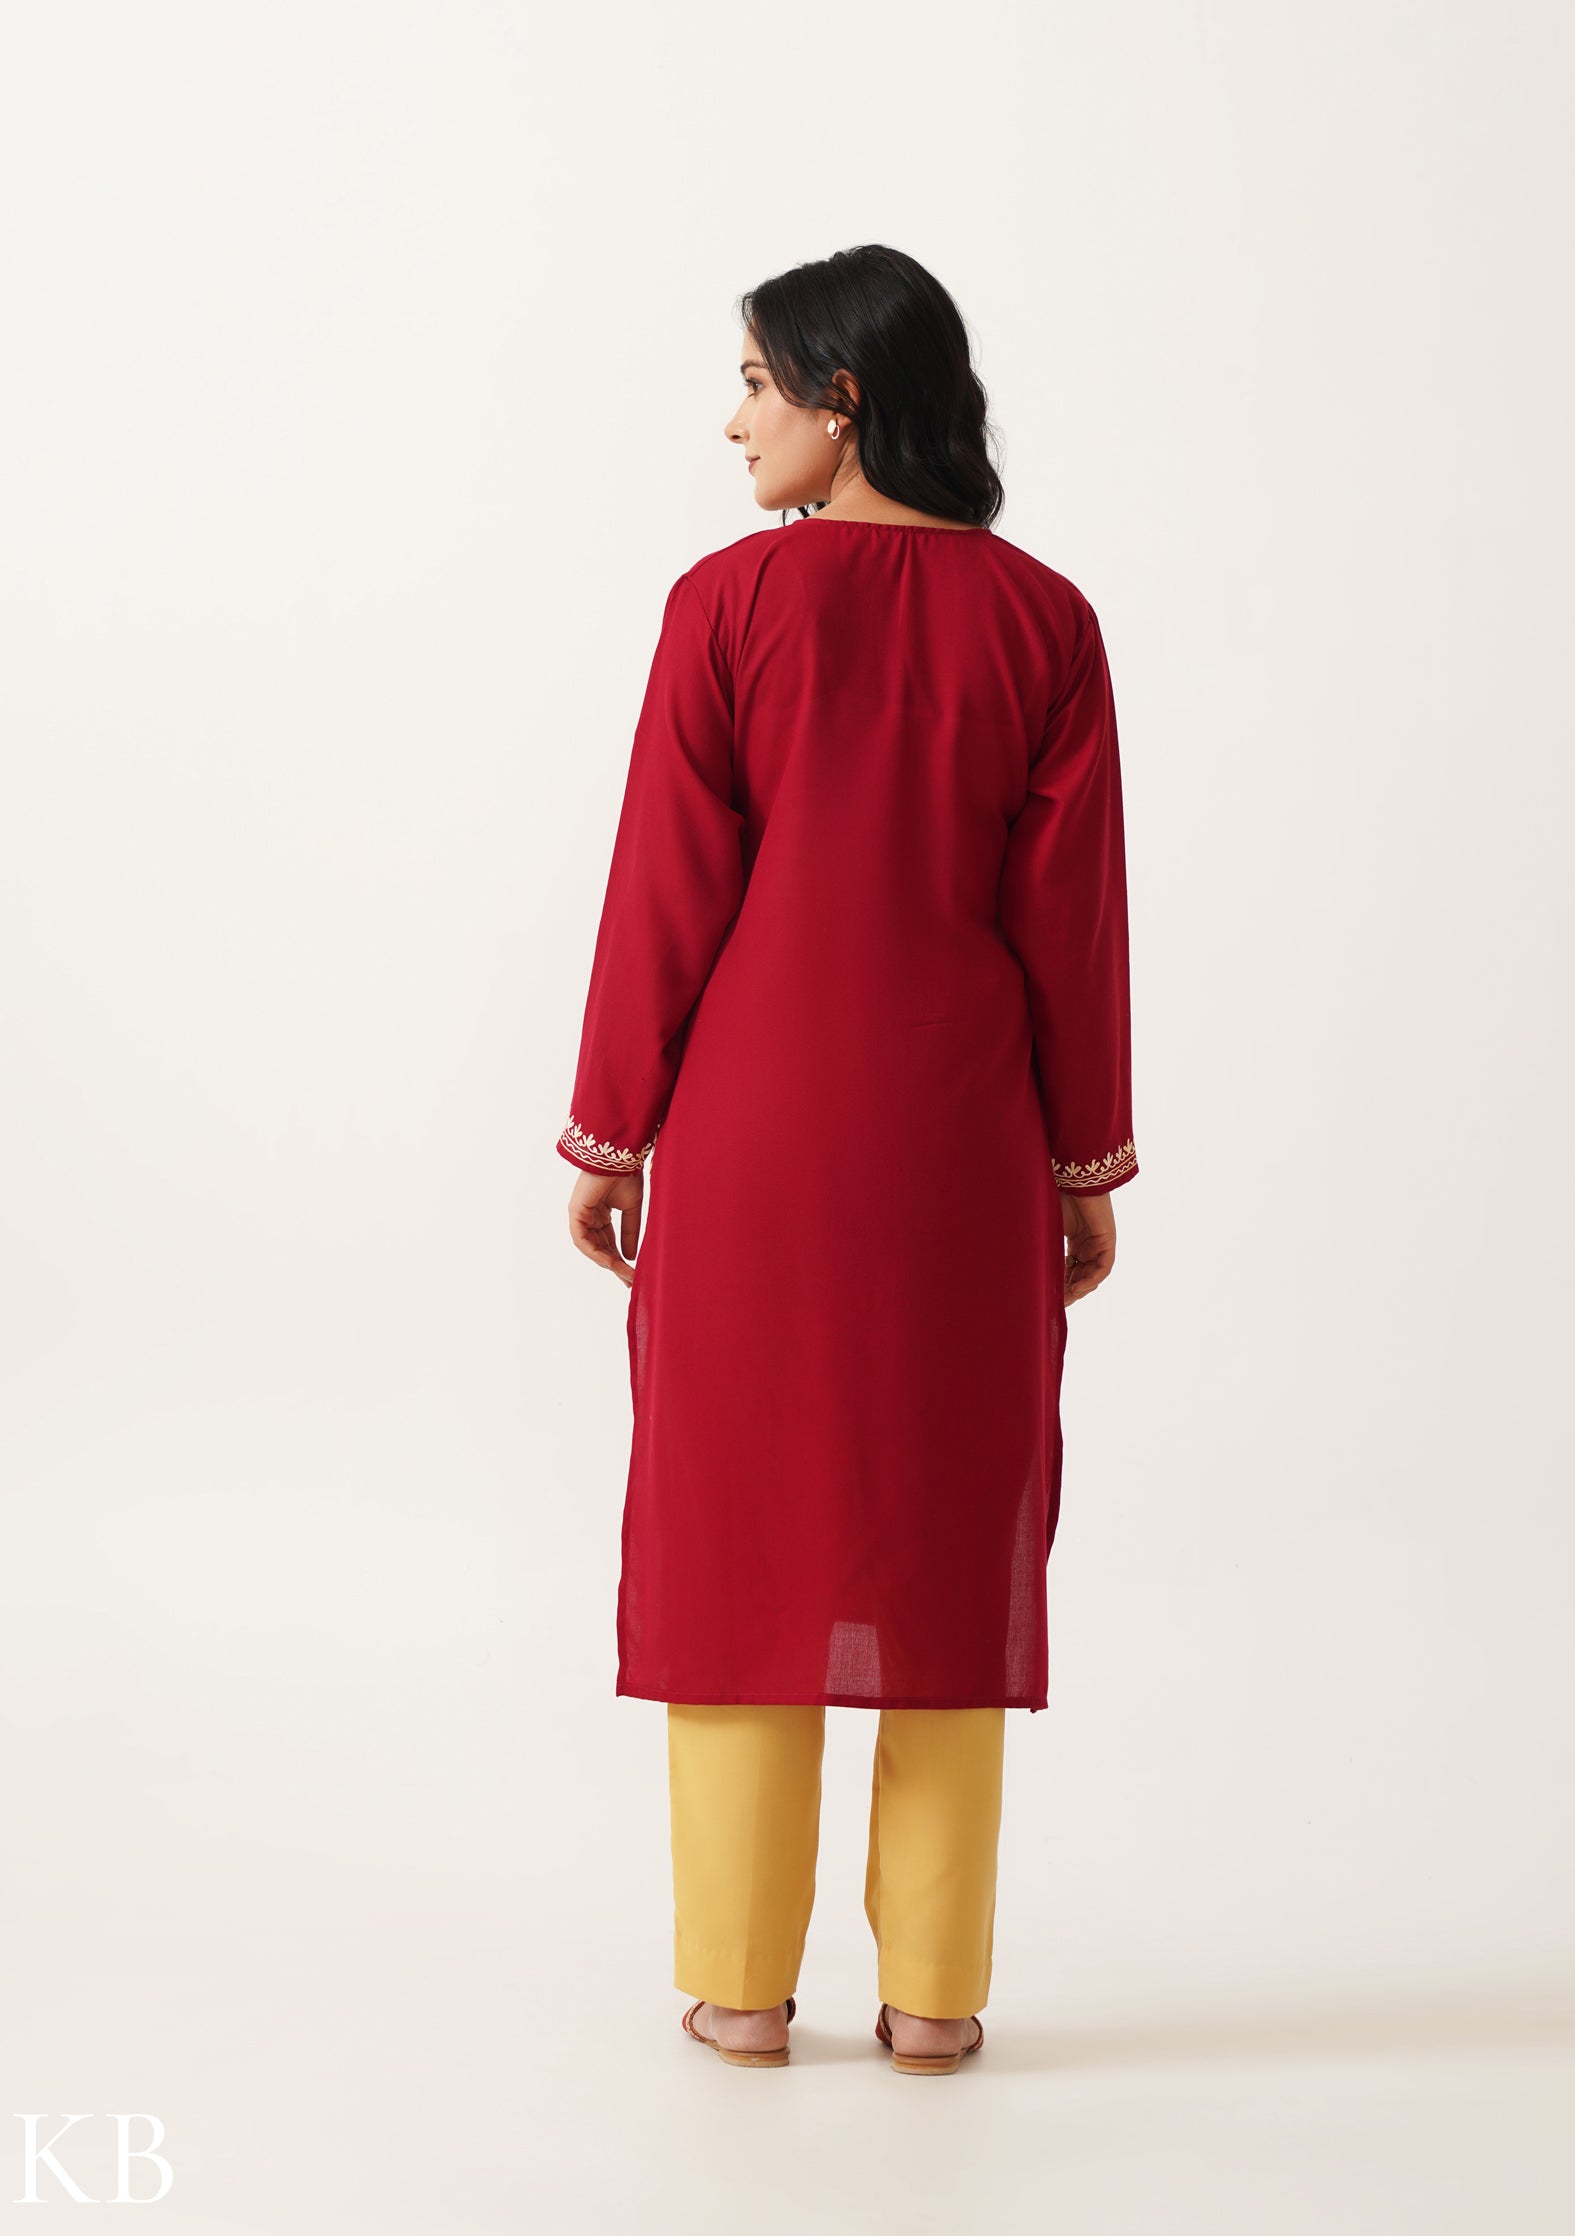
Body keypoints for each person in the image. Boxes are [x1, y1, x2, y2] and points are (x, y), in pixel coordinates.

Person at [555, 244, 1136, 2075]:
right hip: (960, 1149)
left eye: (755, 383)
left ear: (844, 397)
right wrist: (1080, 1167)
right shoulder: (1045, 625)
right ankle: (936, 2002)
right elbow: (1071, 929)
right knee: (949, 1545)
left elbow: (667, 888)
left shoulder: (729, 606)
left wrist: (610, 1129)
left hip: (753, 1145)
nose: (735, 423)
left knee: (740, 1539)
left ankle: (739, 1991)